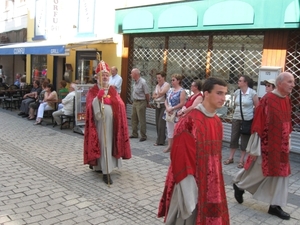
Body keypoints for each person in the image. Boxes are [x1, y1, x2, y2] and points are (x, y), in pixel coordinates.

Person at [158, 77, 230, 224]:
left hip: (212, 182)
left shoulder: (217, 122)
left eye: (225, 94)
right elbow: (181, 160)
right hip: (192, 183)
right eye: (219, 93)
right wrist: (189, 194)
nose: (223, 98)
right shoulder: (189, 121)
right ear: (206, 94)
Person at [232, 72, 295, 220]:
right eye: (290, 82)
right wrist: (255, 146)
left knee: (281, 175)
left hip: (282, 145)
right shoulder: (268, 99)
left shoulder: (286, 99)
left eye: (293, 82)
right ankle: (239, 186)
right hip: (266, 146)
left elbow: (287, 121)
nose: (293, 84)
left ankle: (275, 206)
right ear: (280, 83)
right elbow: (259, 123)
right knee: (259, 172)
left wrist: (289, 138)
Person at [83, 63, 131, 185]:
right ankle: (106, 172)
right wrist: (97, 99)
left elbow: (120, 105)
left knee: (110, 145)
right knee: (103, 145)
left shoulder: (112, 90)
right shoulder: (93, 90)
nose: (105, 77)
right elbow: (89, 107)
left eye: (106, 75)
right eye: (102, 75)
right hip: (100, 124)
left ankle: (103, 167)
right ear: (97, 77)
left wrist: (113, 104)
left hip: (113, 124)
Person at [223, 75, 259, 168]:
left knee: (244, 139)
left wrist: (253, 117)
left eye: (240, 81)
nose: (238, 82)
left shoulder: (252, 93)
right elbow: (236, 104)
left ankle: (241, 160)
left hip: (247, 119)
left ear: (245, 82)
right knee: (234, 137)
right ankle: (231, 157)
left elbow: (257, 106)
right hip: (236, 117)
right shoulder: (237, 92)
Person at [162, 73, 186, 153]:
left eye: (173, 80)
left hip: (176, 113)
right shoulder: (170, 90)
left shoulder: (182, 91)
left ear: (178, 81)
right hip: (168, 112)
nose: (172, 82)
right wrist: (167, 107)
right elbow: (166, 100)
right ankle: (170, 145)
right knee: (169, 130)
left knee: (176, 130)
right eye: (171, 80)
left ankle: (176, 146)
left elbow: (182, 103)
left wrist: (172, 108)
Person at [129, 68, 150, 142]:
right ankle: (134, 133)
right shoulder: (135, 82)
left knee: (141, 119)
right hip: (135, 101)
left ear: (136, 74)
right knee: (133, 118)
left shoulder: (143, 82)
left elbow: (147, 94)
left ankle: (143, 135)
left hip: (141, 102)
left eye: (132, 73)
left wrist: (147, 103)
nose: (131, 75)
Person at [152, 71, 170, 146]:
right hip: (157, 105)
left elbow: (161, 93)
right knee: (157, 123)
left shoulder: (167, 85)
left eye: (159, 78)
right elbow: (153, 95)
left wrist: (158, 94)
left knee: (161, 124)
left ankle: (160, 141)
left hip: (163, 105)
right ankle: (160, 138)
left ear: (163, 77)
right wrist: (156, 95)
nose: (158, 79)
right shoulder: (157, 85)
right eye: (157, 78)